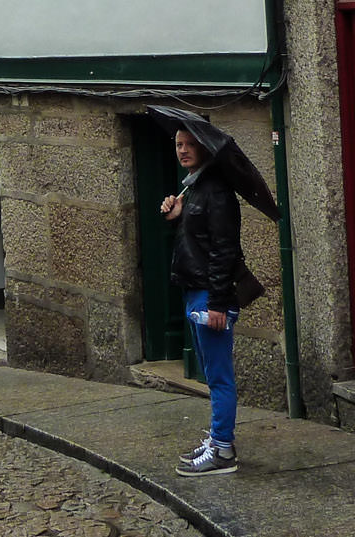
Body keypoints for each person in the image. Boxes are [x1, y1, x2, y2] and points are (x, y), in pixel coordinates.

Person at [161, 127, 243, 476]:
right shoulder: (193, 189)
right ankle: (217, 438)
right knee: (212, 375)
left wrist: (218, 305)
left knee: (219, 376)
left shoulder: (218, 193)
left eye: (190, 144)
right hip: (195, 290)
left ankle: (223, 451)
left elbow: (225, 252)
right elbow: (196, 244)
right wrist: (174, 217)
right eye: (179, 144)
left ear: (206, 148)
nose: (183, 150)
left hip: (210, 295)